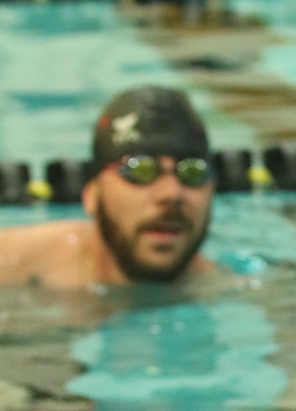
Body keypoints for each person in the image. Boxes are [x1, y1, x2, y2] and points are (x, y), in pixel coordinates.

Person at [0, 86, 217, 291]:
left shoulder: (222, 290)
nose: (171, 194)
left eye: (193, 172)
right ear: (92, 194)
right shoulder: (12, 264)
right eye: (140, 169)